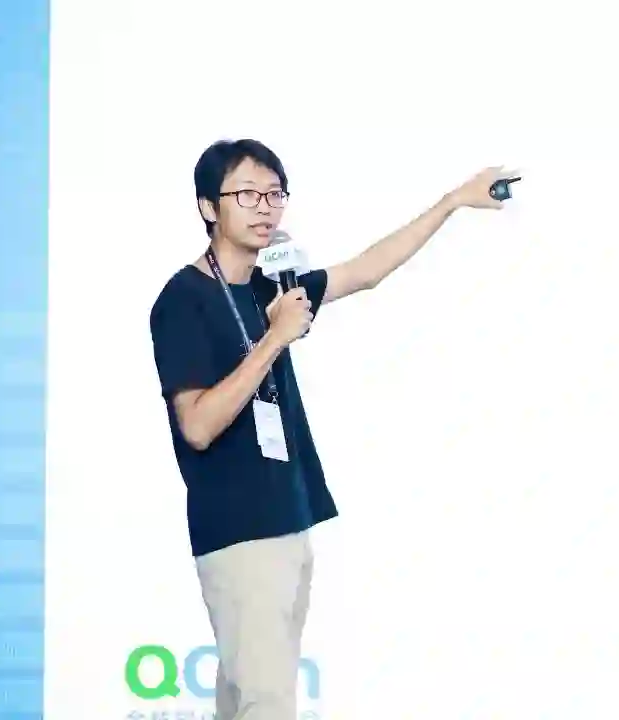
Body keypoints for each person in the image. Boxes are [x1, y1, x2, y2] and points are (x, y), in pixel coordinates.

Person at [149, 138, 513, 720]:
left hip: (288, 519)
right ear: (208, 207)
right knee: (267, 705)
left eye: (275, 194)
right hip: (239, 529)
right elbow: (196, 425)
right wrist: (274, 338)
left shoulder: (273, 286)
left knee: (244, 701)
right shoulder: (183, 299)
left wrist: (452, 202)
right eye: (247, 194)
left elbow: (366, 271)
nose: (265, 207)